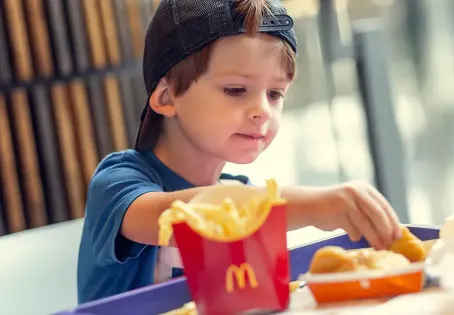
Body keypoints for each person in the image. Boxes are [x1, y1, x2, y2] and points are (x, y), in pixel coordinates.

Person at [77, 0, 404, 304]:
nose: (262, 110)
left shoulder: (242, 194)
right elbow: (186, 219)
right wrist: (315, 206)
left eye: (275, 94)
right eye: (236, 90)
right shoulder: (118, 183)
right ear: (167, 97)